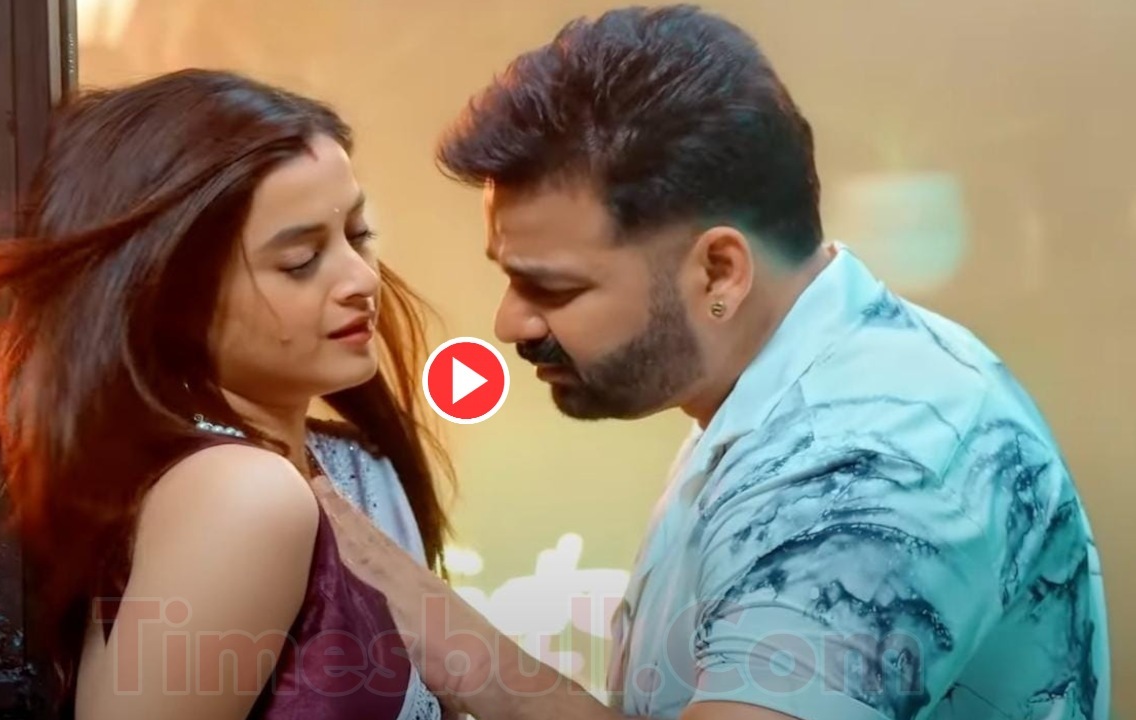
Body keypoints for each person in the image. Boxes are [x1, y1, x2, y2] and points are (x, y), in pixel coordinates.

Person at [315, 5, 1111, 720]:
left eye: (551, 287)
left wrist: (446, 637)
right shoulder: (776, 387)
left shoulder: (870, 460)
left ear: (720, 271)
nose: (510, 323)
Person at [0, 69, 453, 720]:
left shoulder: (360, 467)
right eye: (300, 261)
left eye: (359, 235)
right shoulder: (241, 496)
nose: (361, 279)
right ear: (170, 294)